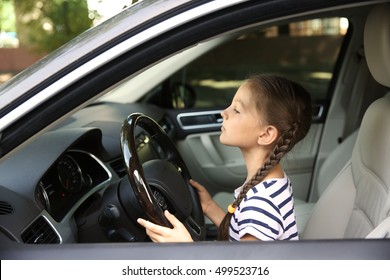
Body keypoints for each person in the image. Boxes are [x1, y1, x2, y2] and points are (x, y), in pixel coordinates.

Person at [137, 73, 312, 242]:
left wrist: (185, 247)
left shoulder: (260, 206)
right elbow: (239, 237)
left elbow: (242, 271)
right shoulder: (271, 181)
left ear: (266, 134)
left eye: (236, 109)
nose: (224, 112)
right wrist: (210, 207)